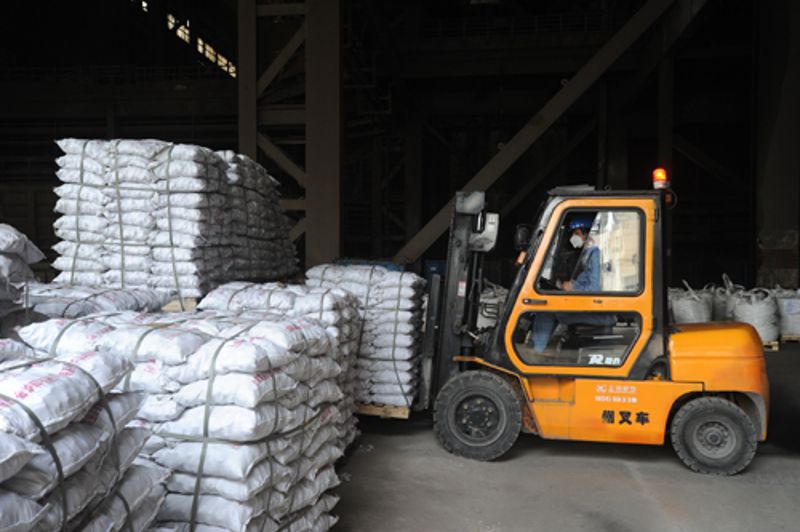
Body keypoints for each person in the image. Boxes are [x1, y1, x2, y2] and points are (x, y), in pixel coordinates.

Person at [531, 215, 614, 354]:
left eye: (577, 233)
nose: (573, 237)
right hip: (588, 306)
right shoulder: (587, 253)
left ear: (587, 233)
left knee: (546, 311)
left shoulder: (595, 254)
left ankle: (536, 352)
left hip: (599, 313)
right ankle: (544, 347)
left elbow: (594, 288)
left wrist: (573, 287)